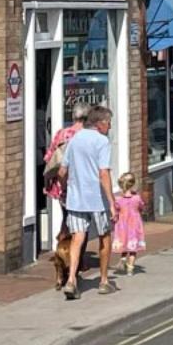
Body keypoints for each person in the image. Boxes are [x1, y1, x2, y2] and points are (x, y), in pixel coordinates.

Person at [61, 105, 117, 299]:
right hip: (97, 199)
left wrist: (64, 190)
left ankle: (71, 280)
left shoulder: (74, 139)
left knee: (78, 238)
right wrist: (111, 202)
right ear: (100, 123)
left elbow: (62, 171)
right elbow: (104, 173)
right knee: (105, 236)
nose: (109, 127)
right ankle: (103, 280)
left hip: (76, 199)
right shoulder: (102, 142)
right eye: (108, 123)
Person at [44, 103, 90, 288]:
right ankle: (75, 264)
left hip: (61, 186)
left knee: (67, 220)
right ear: (87, 119)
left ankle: (61, 257)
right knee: (81, 227)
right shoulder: (87, 136)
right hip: (81, 187)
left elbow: (49, 157)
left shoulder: (62, 134)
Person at [111, 172, 146, 276]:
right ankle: (130, 268)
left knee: (124, 243)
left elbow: (116, 210)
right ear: (133, 184)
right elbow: (141, 207)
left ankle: (122, 258)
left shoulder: (118, 199)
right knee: (133, 248)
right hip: (134, 225)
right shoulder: (137, 198)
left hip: (122, 225)